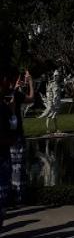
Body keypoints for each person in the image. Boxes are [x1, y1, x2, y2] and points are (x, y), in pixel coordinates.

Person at [10, 70, 34, 206]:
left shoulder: (9, 93)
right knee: (18, 166)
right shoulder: (15, 95)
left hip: (6, 136)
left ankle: (9, 196)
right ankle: (19, 197)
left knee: (9, 167)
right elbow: (31, 99)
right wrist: (30, 82)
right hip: (16, 135)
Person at [0, 68, 18, 235]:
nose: (10, 85)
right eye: (7, 81)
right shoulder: (3, 108)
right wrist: (12, 114)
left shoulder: (4, 106)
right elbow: (12, 133)